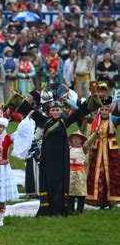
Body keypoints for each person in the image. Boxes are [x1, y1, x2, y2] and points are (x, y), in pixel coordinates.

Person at [16, 85, 102, 216]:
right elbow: (27, 110)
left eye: (58, 110)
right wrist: (26, 98)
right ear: (50, 111)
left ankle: (61, 208)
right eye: (54, 110)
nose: (55, 112)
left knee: (61, 181)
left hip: (61, 157)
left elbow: (81, 112)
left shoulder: (64, 121)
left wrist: (93, 99)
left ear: (61, 110)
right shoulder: (44, 120)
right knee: (49, 181)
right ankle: (47, 208)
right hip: (47, 157)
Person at [86, 99, 120, 209]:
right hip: (98, 152)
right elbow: (84, 118)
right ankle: (99, 200)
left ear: (109, 110)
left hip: (111, 153)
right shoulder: (96, 121)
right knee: (98, 175)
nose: (104, 112)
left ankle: (111, 200)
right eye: (102, 110)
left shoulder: (114, 120)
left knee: (111, 175)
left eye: (106, 110)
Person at [68, 130, 97, 215]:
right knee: (70, 192)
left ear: (81, 140)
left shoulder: (83, 149)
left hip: (79, 174)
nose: (76, 140)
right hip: (70, 173)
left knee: (80, 192)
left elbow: (89, 142)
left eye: (78, 138)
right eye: (74, 138)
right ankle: (70, 210)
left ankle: (79, 210)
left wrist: (95, 134)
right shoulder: (69, 149)